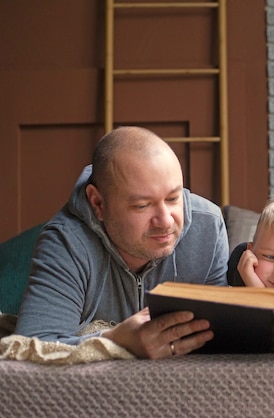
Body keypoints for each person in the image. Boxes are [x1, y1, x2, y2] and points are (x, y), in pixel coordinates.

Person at [15, 126, 229, 359]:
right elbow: (31, 350)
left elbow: (219, 341)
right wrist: (114, 341)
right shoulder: (66, 242)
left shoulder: (208, 226)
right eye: (142, 206)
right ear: (98, 203)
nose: (166, 221)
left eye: (173, 198)